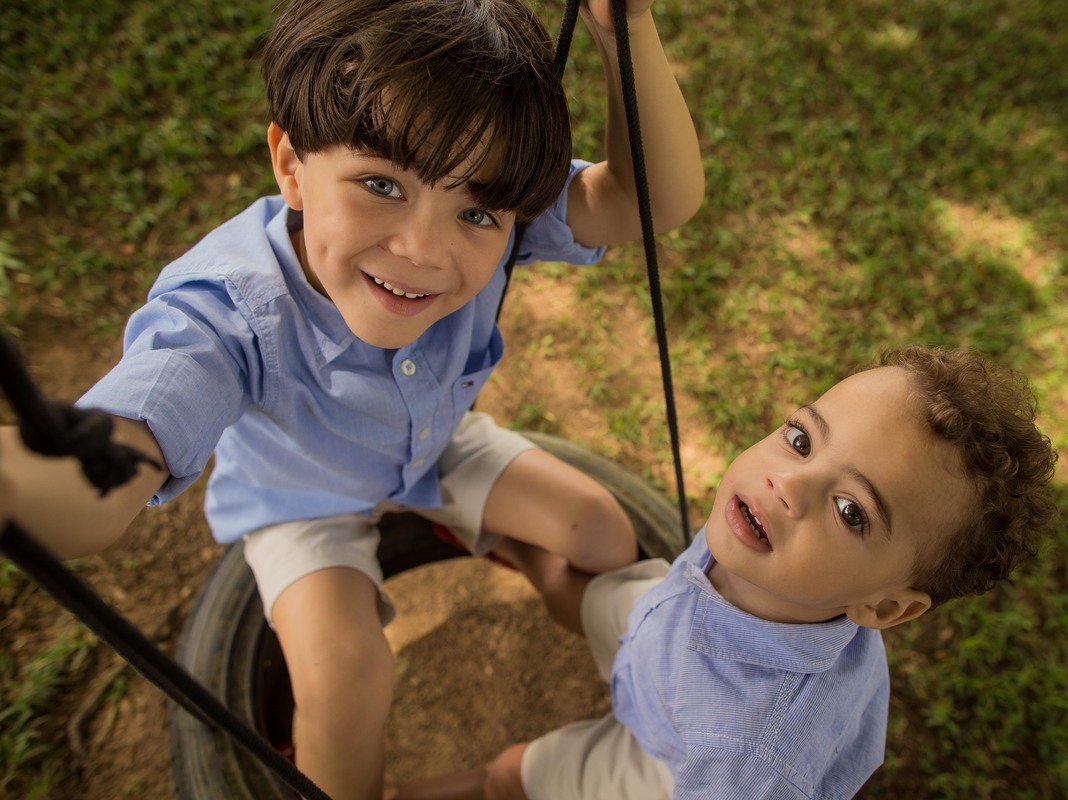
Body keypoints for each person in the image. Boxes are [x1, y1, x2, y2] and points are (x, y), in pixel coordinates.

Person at [0, 0, 704, 797]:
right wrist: (19, 484)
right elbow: (119, 456)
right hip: (299, 496)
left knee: (602, 532)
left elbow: (650, 201)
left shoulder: (499, 222)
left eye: (475, 210)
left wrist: (625, 31)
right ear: (291, 165)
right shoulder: (229, 311)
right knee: (346, 678)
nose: (423, 249)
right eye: (380, 184)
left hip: (435, 446)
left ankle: (565, 600)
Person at [392, 344, 1059, 800]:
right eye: (802, 439)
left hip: (668, 760)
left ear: (883, 609)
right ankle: (498, 536)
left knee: (512, 777)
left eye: (852, 511)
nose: (788, 485)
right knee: (573, 591)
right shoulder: (764, 548)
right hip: (673, 622)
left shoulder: (752, 758)